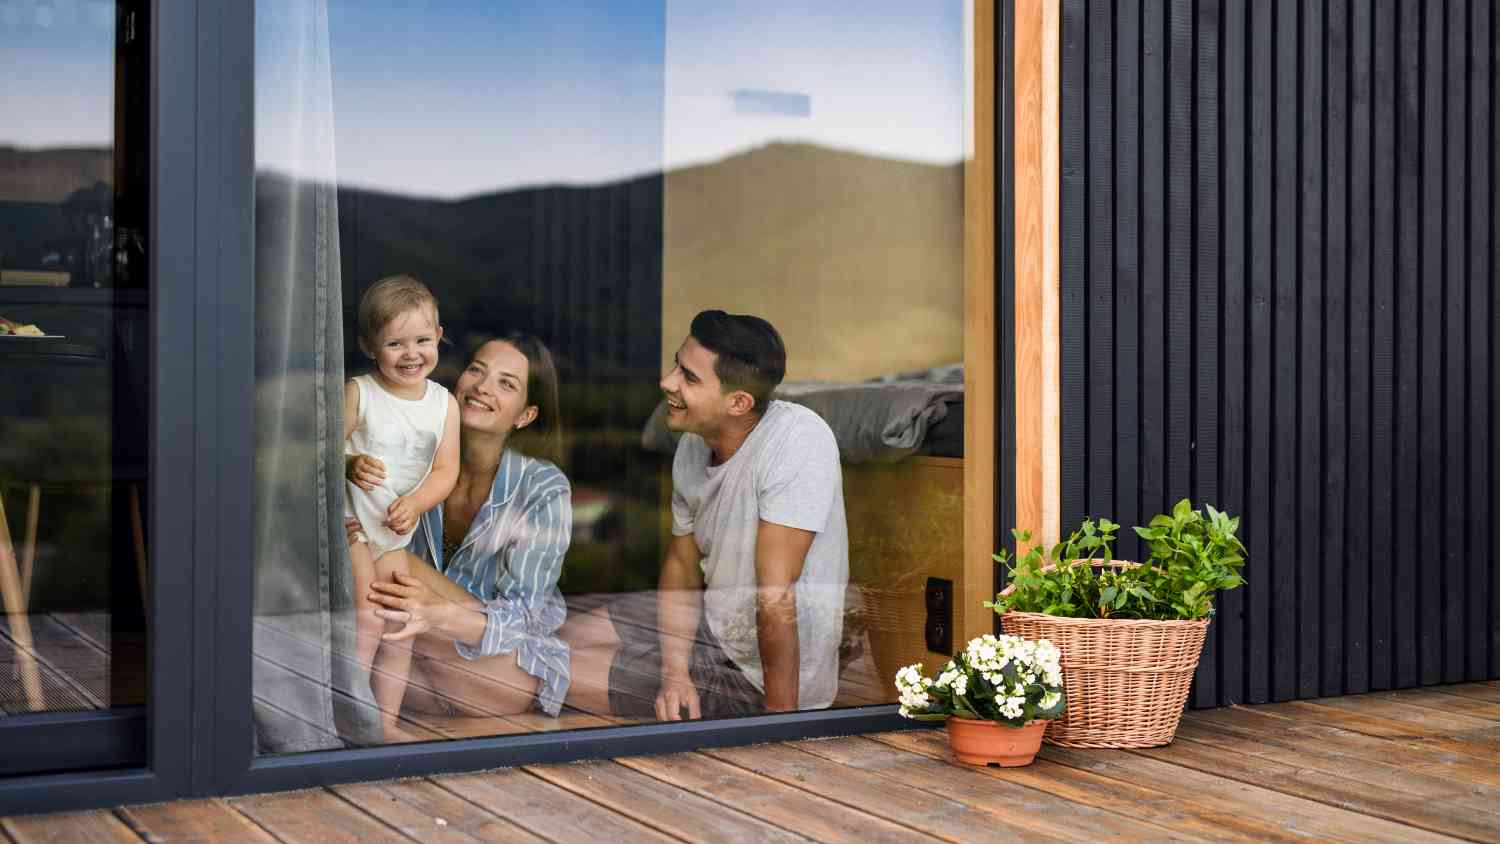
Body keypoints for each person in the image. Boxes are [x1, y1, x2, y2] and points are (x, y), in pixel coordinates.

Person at [562, 310, 848, 720]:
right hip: (712, 624)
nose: (666, 382)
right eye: (676, 365)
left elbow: (775, 596)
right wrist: (676, 673)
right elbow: (681, 564)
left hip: (756, 678)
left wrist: (780, 727)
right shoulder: (694, 444)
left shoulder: (798, 442)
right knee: (565, 640)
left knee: (549, 672)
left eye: (689, 378)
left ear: (738, 403)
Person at [347, 333, 572, 738]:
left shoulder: (542, 487)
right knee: (374, 564)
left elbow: (524, 618)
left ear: (526, 414)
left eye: (507, 384)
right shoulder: (413, 458)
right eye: (477, 370)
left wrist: (434, 614)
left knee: (387, 558)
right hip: (413, 670)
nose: (483, 387)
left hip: (496, 675)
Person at [342, 275, 460, 742]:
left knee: (401, 624)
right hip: (349, 525)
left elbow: (445, 471)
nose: (411, 354)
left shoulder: (442, 404)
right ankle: (347, 719)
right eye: (395, 343)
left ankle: (385, 724)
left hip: (392, 532)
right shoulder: (360, 392)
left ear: (439, 336)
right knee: (367, 618)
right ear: (370, 346)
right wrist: (348, 463)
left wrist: (415, 503)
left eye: (422, 340)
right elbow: (317, 452)